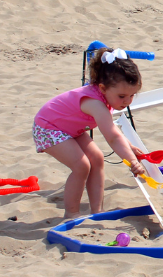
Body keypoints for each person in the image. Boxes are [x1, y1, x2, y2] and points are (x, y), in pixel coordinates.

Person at [33, 47, 147, 219]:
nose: (127, 102)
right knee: (81, 166)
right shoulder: (95, 103)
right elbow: (112, 137)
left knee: (97, 158)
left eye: (132, 96)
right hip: (48, 128)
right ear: (102, 88)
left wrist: (129, 147)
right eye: (122, 96)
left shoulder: (105, 98)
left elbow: (113, 130)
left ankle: (97, 211)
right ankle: (71, 213)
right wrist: (131, 160)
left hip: (69, 129)